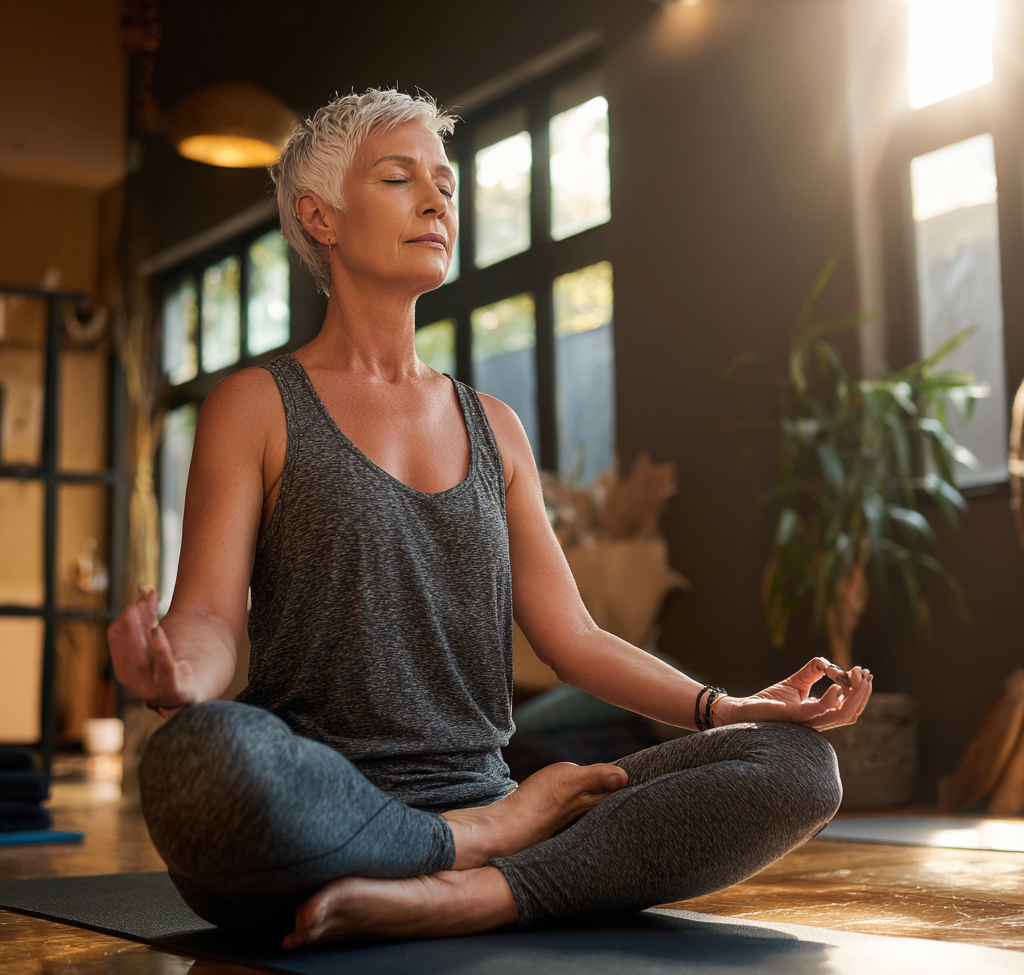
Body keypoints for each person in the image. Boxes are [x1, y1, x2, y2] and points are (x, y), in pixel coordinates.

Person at [109, 89, 872, 948]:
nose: (438, 201)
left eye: (446, 184)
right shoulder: (255, 405)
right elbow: (209, 618)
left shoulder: (492, 426)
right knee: (199, 757)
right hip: (317, 803)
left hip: (485, 794)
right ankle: (474, 853)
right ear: (319, 217)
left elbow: (572, 636)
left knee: (798, 765)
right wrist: (182, 678)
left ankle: (478, 892)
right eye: (401, 180)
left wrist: (727, 708)